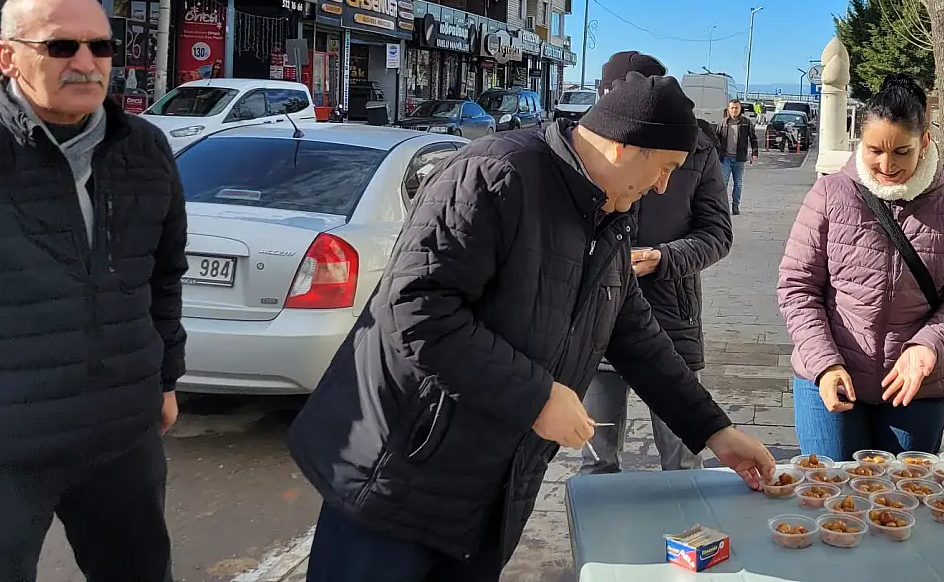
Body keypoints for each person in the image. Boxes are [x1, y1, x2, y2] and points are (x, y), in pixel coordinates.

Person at [288, 71, 774, 582]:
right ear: (623, 147)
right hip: (397, 476)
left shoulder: (609, 213)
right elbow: (415, 310)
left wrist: (714, 430)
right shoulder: (495, 174)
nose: (663, 186)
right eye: (665, 168)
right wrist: (537, 397)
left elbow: (635, 335)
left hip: (490, 489)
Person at [0, 0, 188, 581]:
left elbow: (164, 276)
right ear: (6, 55)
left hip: (120, 435)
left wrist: (165, 378)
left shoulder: (145, 150)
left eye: (100, 47)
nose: (85, 62)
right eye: (61, 46)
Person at [777, 74, 944, 460]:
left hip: (917, 390)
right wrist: (824, 363)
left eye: (901, 152)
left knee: (902, 508)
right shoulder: (830, 194)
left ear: (924, 143)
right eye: (875, 150)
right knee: (831, 501)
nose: (886, 165)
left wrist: (928, 347)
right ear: (861, 141)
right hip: (830, 378)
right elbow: (797, 287)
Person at [581, 52, 733, 474]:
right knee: (596, 458)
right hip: (599, 315)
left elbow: (717, 235)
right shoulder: (588, 151)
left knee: (682, 457)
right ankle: (604, 538)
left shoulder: (697, 153)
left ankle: (690, 538)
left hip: (669, 315)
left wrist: (662, 259)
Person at [715, 98, 758, 215]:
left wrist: (754, 153)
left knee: (738, 183)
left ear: (740, 109)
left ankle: (735, 206)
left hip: (739, 158)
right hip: (725, 158)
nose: (734, 110)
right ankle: (723, 207)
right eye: (732, 108)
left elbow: (753, 138)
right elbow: (716, 139)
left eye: (736, 108)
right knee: (723, 183)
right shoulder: (723, 123)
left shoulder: (746, 122)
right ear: (728, 109)